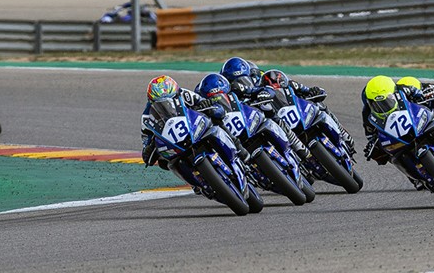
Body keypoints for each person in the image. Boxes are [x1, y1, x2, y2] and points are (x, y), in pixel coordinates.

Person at [220, 57, 354, 156]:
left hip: (286, 107)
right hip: (262, 118)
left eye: (246, 78)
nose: (244, 83)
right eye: (236, 81)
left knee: (317, 103)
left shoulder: (261, 77)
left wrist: (307, 91)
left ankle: (342, 132)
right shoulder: (232, 95)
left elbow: (284, 82)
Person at [140, 75, 234, 198]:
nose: (166, 105)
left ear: (176, 92)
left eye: (171, 99)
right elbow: (145, 145)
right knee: (167, 163)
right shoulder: (147, 118)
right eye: (160, 104)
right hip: (174, 142)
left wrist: (207, 105)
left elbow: (202, 102)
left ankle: (237, 148)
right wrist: (149, 147)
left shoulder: (185, 94)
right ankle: (194, 182)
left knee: (216, 120)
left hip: (194, 127)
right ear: (151, 101)